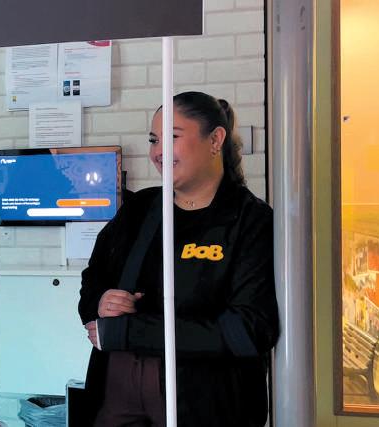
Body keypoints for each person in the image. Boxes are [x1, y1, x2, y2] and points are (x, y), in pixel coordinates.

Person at [78, 91, 280, 426]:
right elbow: (93, 278)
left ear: (215, 140)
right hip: (117, 388)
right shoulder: (139, 209)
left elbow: (248, 329)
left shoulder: (250, 221)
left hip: (205, 398)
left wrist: (132, 332)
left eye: (172, 137)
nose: (158, 151)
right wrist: (100, 302)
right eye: (153, 140)